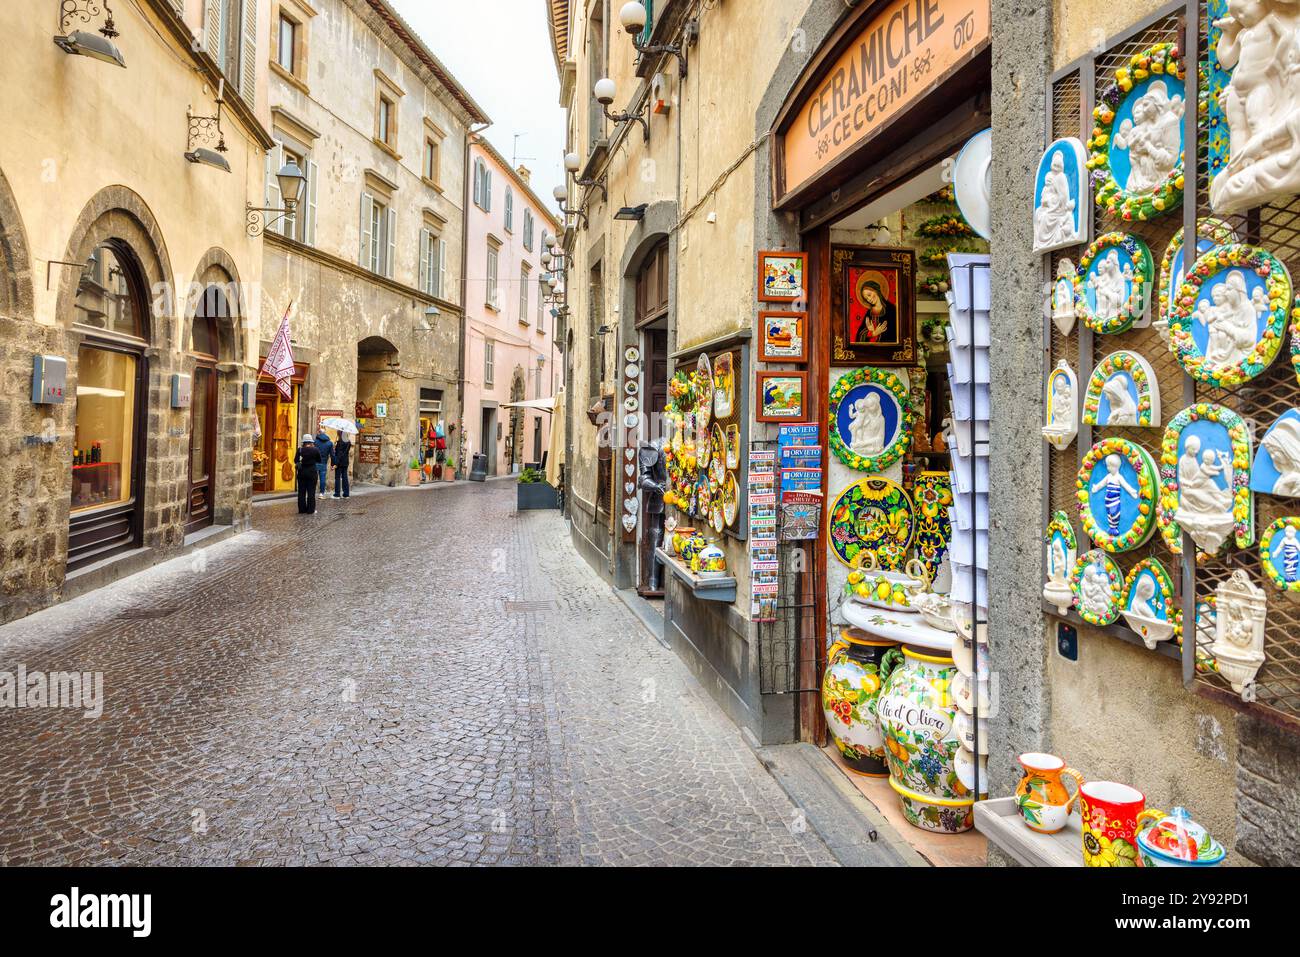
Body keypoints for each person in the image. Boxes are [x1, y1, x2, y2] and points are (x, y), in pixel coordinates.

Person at [294, 433, 322, 514]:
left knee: (301, 492)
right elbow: (319, 460)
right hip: (312, 472)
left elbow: (295, 460)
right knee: (311, 492)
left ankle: (302, 510)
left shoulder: (300, 450)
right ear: (311, 442)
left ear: (304, 442)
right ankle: (310, 510)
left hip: (301, 472)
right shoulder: (315, 450)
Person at [313, 430, 334, 496]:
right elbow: (332, 454)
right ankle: (321, 493)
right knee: (322, 478)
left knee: (313, 477)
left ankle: (312, 491)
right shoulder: (330, 443)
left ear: (319, 433)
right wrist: (333, 464)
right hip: (324, 462)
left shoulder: (315, 442)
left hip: (315, 462)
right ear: (325, 433)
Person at [333, 430, 352, 498]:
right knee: (345, 477)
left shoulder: (340, 442)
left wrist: (336, 463)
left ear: (339, 434)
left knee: (337, 478)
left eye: (337, 433)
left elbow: (339, 454)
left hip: (339, 462)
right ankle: (346, 494)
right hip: (345, 462)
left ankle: (337, 494)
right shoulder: (348, 442)